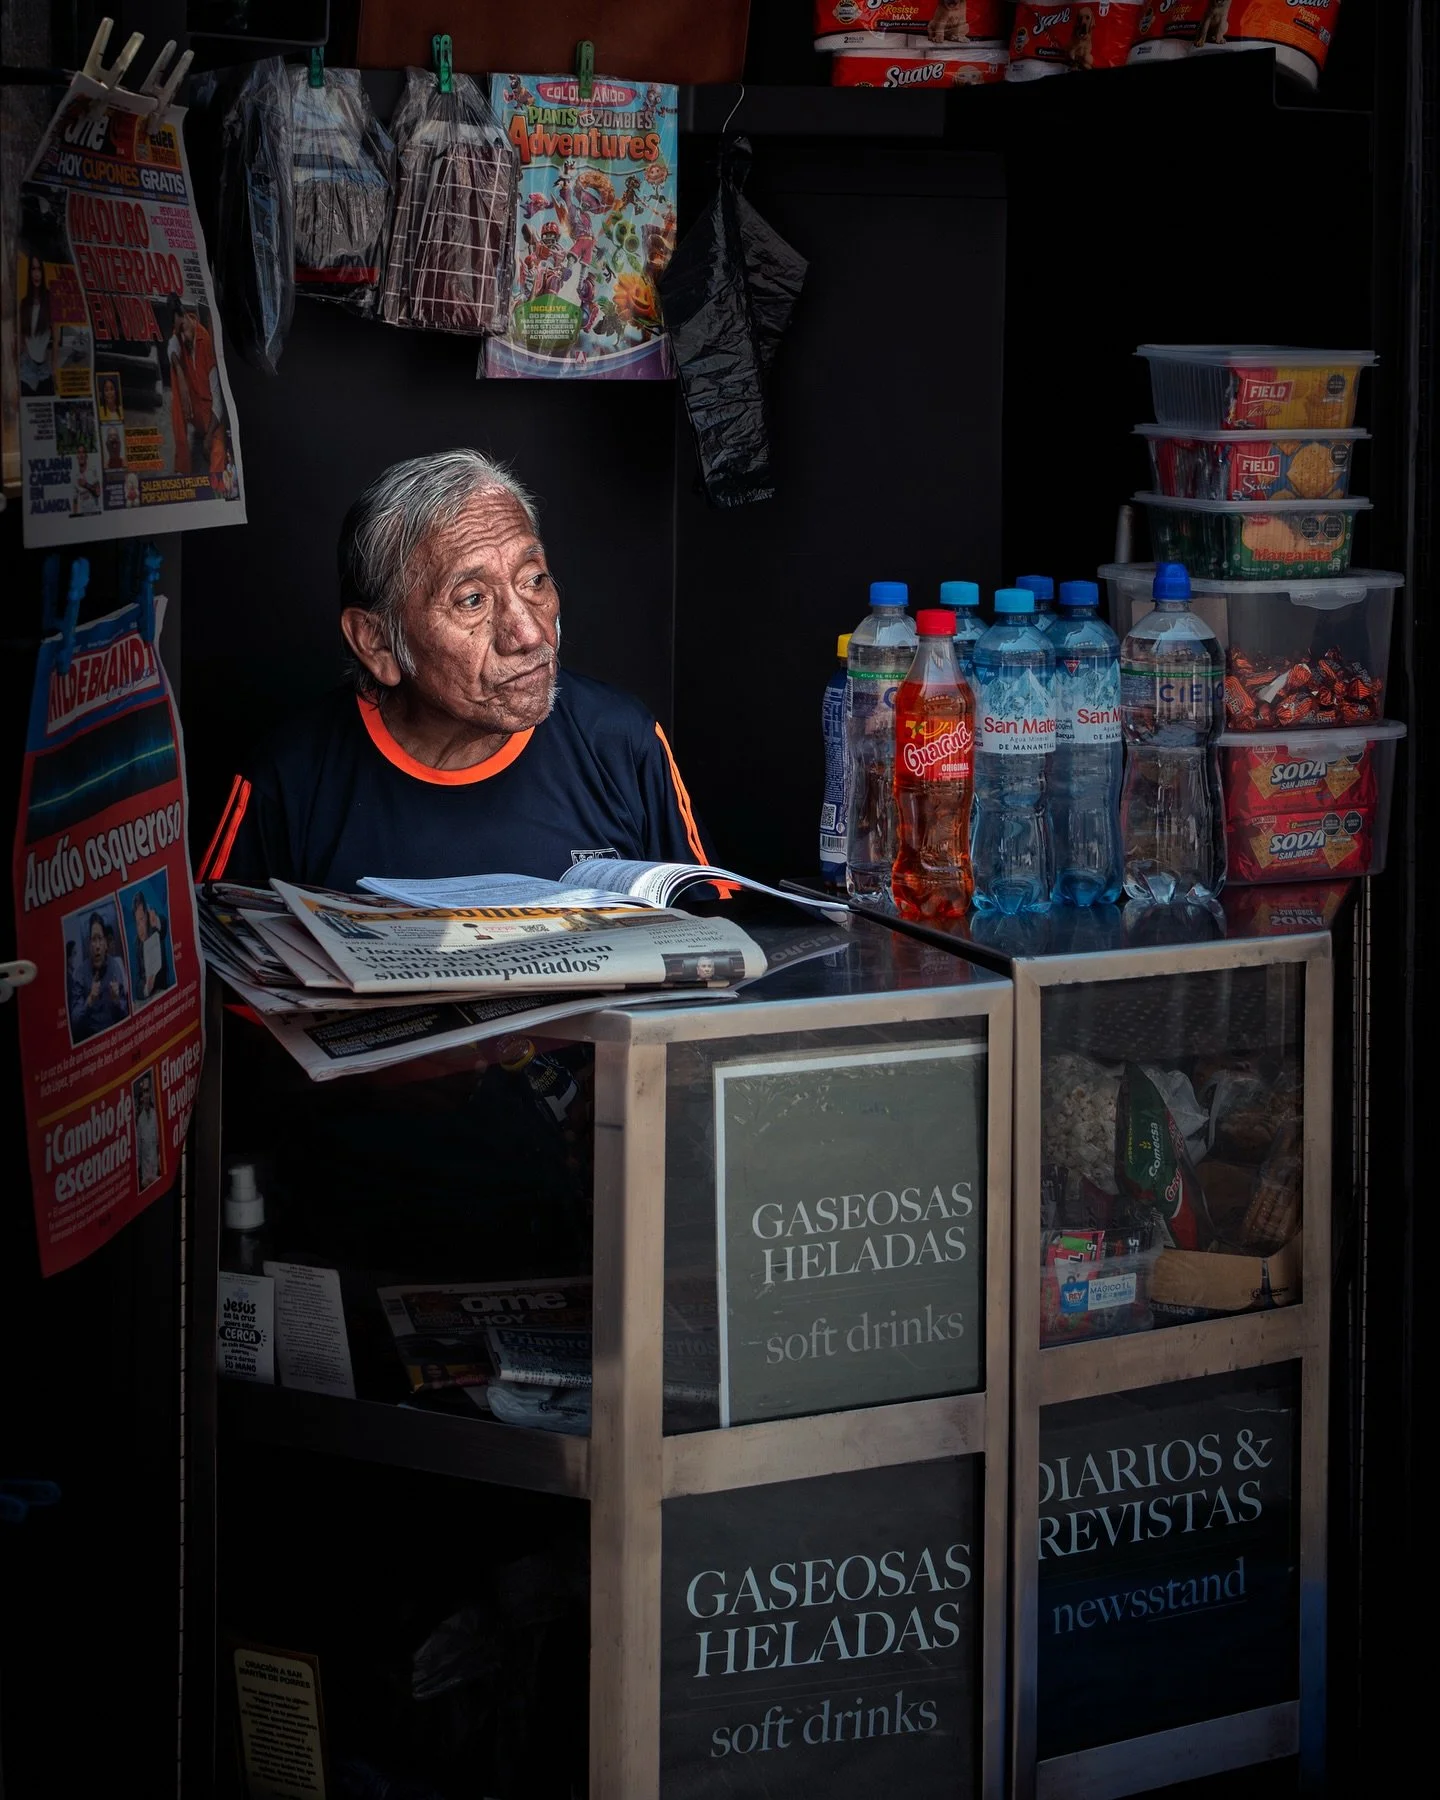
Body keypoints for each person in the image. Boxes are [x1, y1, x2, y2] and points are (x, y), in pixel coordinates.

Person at [199, 449, 715, 890]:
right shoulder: (288, 781)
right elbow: (226, 988)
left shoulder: (620, 742)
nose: (530, 634)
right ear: (377, 643)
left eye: (534, 580)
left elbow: (714, 949)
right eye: (471, 600)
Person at [168, 303, 228, 486]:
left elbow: (218, 402)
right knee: (176, 388)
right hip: (192, 405)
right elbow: (171, 347)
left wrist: (209, 436)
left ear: (187, 316)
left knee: (218, 450)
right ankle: (182, 464)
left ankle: (214, 491)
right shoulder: (179, 333)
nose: (184, 337)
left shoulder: (206, 342)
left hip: (211, 416)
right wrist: (180, 373)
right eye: (180, 332)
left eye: (184, 330)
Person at [70, 911, 129, 1041]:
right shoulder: (79, 973)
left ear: (106, 943)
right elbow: (74, 1023)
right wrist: (90, 1000)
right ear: (88, 943)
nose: (97, 946)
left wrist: (117, 1001)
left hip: (116, 1038)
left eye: (100, 939)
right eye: (93, 940)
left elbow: (127, 1014)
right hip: (93, 1043)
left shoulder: (115, 967)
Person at [20, 253, 53, 395]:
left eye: (39, 269)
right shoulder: (24, 303)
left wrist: (54, 365)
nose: (36, 274)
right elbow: (21, 335)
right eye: (33, 269)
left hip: (45, 367)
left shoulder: (50, 300)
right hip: (27, 366)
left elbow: (56, 337)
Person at [131, 891, 172, 1000]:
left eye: (142, 919)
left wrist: (156, 921)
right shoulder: (137, 946)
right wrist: (146, 988)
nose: (140, 928)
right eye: (137, 922)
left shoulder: (155, 929)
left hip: (165, 994)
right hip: (149, 1002)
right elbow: (137, 984)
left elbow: (163, 924)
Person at [135, 1078, 161, 1190]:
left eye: (147, 1094)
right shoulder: (140, 1120)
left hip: (155, 1166)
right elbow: (138, 1145)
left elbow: (159, 1139)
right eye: (144, 1094)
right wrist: (138, 1164)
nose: (146, 1097)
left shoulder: (155, 1115)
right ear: (142, 1099)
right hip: (145, 1171)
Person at [71, 445, 101, 515]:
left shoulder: (92, 470)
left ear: (86, 456)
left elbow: (98, 493)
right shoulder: (75, 477)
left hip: (95, 512)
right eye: (79, 453)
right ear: (77, 456)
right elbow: (75, 501)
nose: (81, 455)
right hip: (83, 515)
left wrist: (86, 485)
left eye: (83, 452)